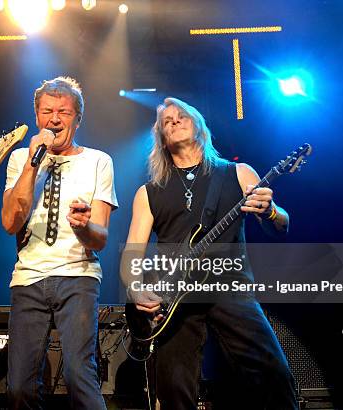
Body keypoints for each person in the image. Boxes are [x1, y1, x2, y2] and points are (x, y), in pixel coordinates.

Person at [121, 97, 298, 409]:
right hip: (174, 299)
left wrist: (270, 211)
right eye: (166, 121)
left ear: (199, 125)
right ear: (161, 137)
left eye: (182, 116)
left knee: (273, 374)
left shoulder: (238, 173)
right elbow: (132, 255)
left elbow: (281, 225)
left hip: (229, 286)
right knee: (173, 387)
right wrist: (136, 288)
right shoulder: (148, 192)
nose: (174, 121)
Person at [1, 76, 118, 409]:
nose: (54, 119)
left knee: (79, 374)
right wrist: (32, 162)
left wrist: (82, 227)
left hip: (78, 277)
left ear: (77, 119)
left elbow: (100, 240)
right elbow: (10, 222)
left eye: (64, 112)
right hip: (28, 279)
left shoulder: (99, 161)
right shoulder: (18, 160)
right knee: (19, 388)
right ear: (37, 117)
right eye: (47, 111)